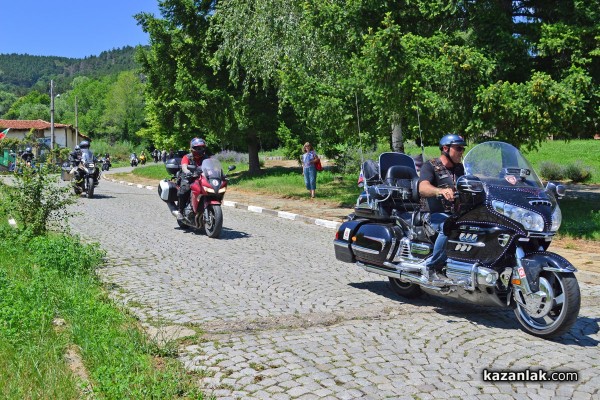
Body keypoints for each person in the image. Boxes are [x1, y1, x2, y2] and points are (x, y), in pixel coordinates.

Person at [418, 133, 466, 283]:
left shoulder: (460, 169)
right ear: (445, 148)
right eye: (458, 148)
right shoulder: (430, 166)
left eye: (463, 149)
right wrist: (439, 191)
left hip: (456, 213)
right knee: (449, 226)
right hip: (433, 214)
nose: (461, 152)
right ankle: (432, 267)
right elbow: (423, 188)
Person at [177, 138, 209, 220]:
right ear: (192, 148)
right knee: (185, 190)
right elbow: (184, 166)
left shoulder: (205, 157)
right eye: (198, 148)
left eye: (201, 148)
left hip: (201, 177)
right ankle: (180, 211)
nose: (200, 150)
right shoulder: (187, 157)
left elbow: (210, 166)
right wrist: (188, 172)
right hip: (188, 177)